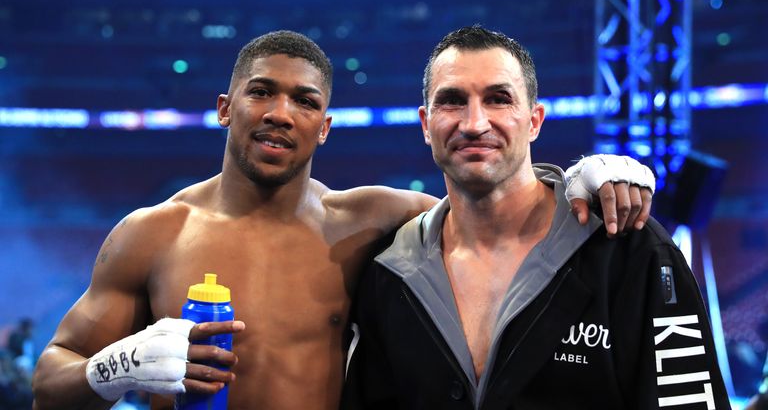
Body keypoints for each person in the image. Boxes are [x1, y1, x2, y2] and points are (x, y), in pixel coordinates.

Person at [31, 30, 654, 410]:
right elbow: (48, 385)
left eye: (304, 101)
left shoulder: (367, 222)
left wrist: (584, 179)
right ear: (226, 108)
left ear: (323, 127)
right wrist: (117, 366)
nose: (281, 112)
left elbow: (492, 203)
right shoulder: (153, 233)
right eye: (261, 91)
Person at [342, 26, 730, 409]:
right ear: (426, 125)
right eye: (453, 101)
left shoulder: (631, 250)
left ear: (534, 120)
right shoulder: (389, 274)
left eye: (498, 99)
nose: (475, 123)